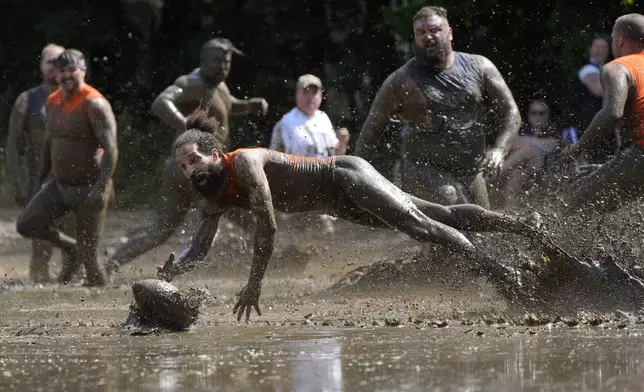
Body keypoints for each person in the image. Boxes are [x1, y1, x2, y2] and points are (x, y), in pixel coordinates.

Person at [156, 107, 548, 322]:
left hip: (344, 175)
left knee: (420, 225)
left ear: (213, 152)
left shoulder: (244, 163)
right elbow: (198, 248)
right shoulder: (212, 196)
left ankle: (502, 274)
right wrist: (176, 270)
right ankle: (521, 226)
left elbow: (269, 226)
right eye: (184, 167)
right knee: (439, 213)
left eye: (194, 160)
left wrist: (254, 285)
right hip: (337, 204)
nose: (191, 170)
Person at [104, 38, 268, 275]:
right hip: (193, 169)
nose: (222, 67)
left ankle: (111, 264)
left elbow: (227, 105)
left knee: (161, 231)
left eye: (226, 62)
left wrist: (249, 105)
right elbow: (161, 102)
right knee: (241, 214)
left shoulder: (219, 86)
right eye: (216, 62)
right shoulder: (192, 82)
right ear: (203, 61)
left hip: (183, 169)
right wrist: (186, 126)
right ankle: (266, 263)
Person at [354, 6, 521, 209]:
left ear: (449, 33)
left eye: (434, 30)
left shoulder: (479, 67)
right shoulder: (401, 81)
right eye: (421, 33)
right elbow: (371, 131)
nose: (428, 37)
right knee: (455, 208)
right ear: (415, 38)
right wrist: (358, 179)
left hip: (471, 168)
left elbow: (511, 112)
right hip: (423, 169)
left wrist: (499, 150)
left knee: (482, 227)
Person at [15, 49, 118, 287]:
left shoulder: (95, 103)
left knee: (91, 261)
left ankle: (102, 307)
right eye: (62, 71)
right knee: (27, 224)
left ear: (83, 70)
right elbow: (50, 143)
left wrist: (102, 187)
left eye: (72, 70)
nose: (66, 75)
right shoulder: (52, 102)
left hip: (90, 186)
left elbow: (111, 149)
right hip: (59, 186)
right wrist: (40, 181)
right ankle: (72, 249)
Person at [6, 43, 77, 283]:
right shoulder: (27, 100)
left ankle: (72, 284)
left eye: (60, 61)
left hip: (71, 177)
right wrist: (18, 182)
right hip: (39, 179)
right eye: (50, 61)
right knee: (41, 240)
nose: (54, 66)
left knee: (74, 231)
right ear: (41, 65)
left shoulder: (79, 97)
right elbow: (13, 145)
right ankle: (40, 283)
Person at [561, 14, 644, 214]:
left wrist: (577, 149)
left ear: (620, 40)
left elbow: (612, 113)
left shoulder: (617, 67)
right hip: (635, 153)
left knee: (572, 206)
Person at [269, 73, 350, 234]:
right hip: (298, 190)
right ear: (297, 94)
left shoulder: (323, 118)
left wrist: (342, 142)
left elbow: (336, 154)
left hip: (324, 188)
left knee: (326, 235)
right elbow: (272, 160)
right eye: (306, 92)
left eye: (315, 92)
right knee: (303, 237)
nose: (310, 97)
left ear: (320, 95)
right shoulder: (286, 124)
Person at [500, 98, 561, 208]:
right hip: (524, 169)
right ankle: (509, 210)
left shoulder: (553, 131)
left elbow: (553, 145)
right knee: (516, 172)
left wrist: (527, 143)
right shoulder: (524, 129)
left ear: (548, 115)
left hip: (544, 173)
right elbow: (510, 144)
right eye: (533, 113)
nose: (537, 116)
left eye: (541, 113)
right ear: (528, 114)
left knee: (530, 150)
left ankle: (496, 172)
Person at [575, 34, 620, 164]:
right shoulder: (587, 69)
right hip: (590, 128)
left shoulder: (607, 69)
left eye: (604, 47)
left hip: (605, 129)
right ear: (590, 49)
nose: (600, 50)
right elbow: (598, 90)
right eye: (597, 47)